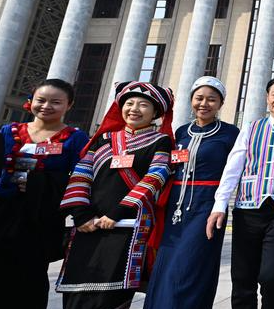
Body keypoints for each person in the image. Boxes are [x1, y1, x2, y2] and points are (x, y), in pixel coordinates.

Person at [56, 81, 175, 309]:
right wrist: (81, 215)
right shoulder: (104, 139)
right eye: (129, 103)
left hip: (127, 225)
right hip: (88, 225)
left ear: (155, 113)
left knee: (112, 296)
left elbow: (154, 178)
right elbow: (81, 174)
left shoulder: (160, 141)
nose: (134, 109)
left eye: (143, 105)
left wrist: (118, 213)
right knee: (76, 291)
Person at [204, 76, 274, 309]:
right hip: (248, 210)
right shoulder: (250, 129)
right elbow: (233, 169)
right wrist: (220, 205)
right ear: (267, 98)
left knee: (272, 274)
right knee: (243, 276)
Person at [144, 76, 240, 309]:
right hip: (175, 205)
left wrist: (220, 204)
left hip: (207, 206)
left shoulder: (230, 133)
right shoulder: (181, 132)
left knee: (192, 262)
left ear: (220, 104)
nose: (204, 104)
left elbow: (235, 170)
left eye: (211, 99)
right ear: (191, 100)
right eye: (199, 98)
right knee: (167, 262)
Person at [0, 79, 89, 309]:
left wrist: (39, 184)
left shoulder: (75, 138)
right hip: (5, 211)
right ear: (31, 102)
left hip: (41, 218)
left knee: (30, 276)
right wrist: (17, 181)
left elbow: (80, 176)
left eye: (55, 102)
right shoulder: (8, 131)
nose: (46, 106)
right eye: (41, 100)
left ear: (69, 105)